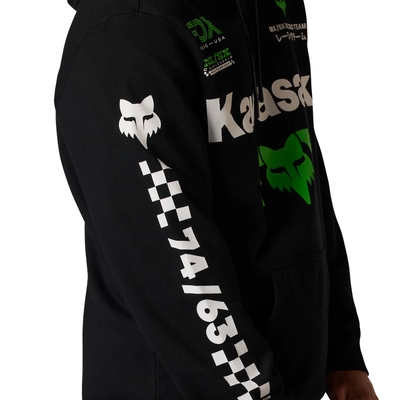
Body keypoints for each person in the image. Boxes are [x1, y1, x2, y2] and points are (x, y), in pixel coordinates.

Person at [55, 0, 379, 399]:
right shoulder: (125, 33)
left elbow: (299, 162)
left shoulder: (272, 5)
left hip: (286, 378)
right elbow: (175, 258)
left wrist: (340, 350)